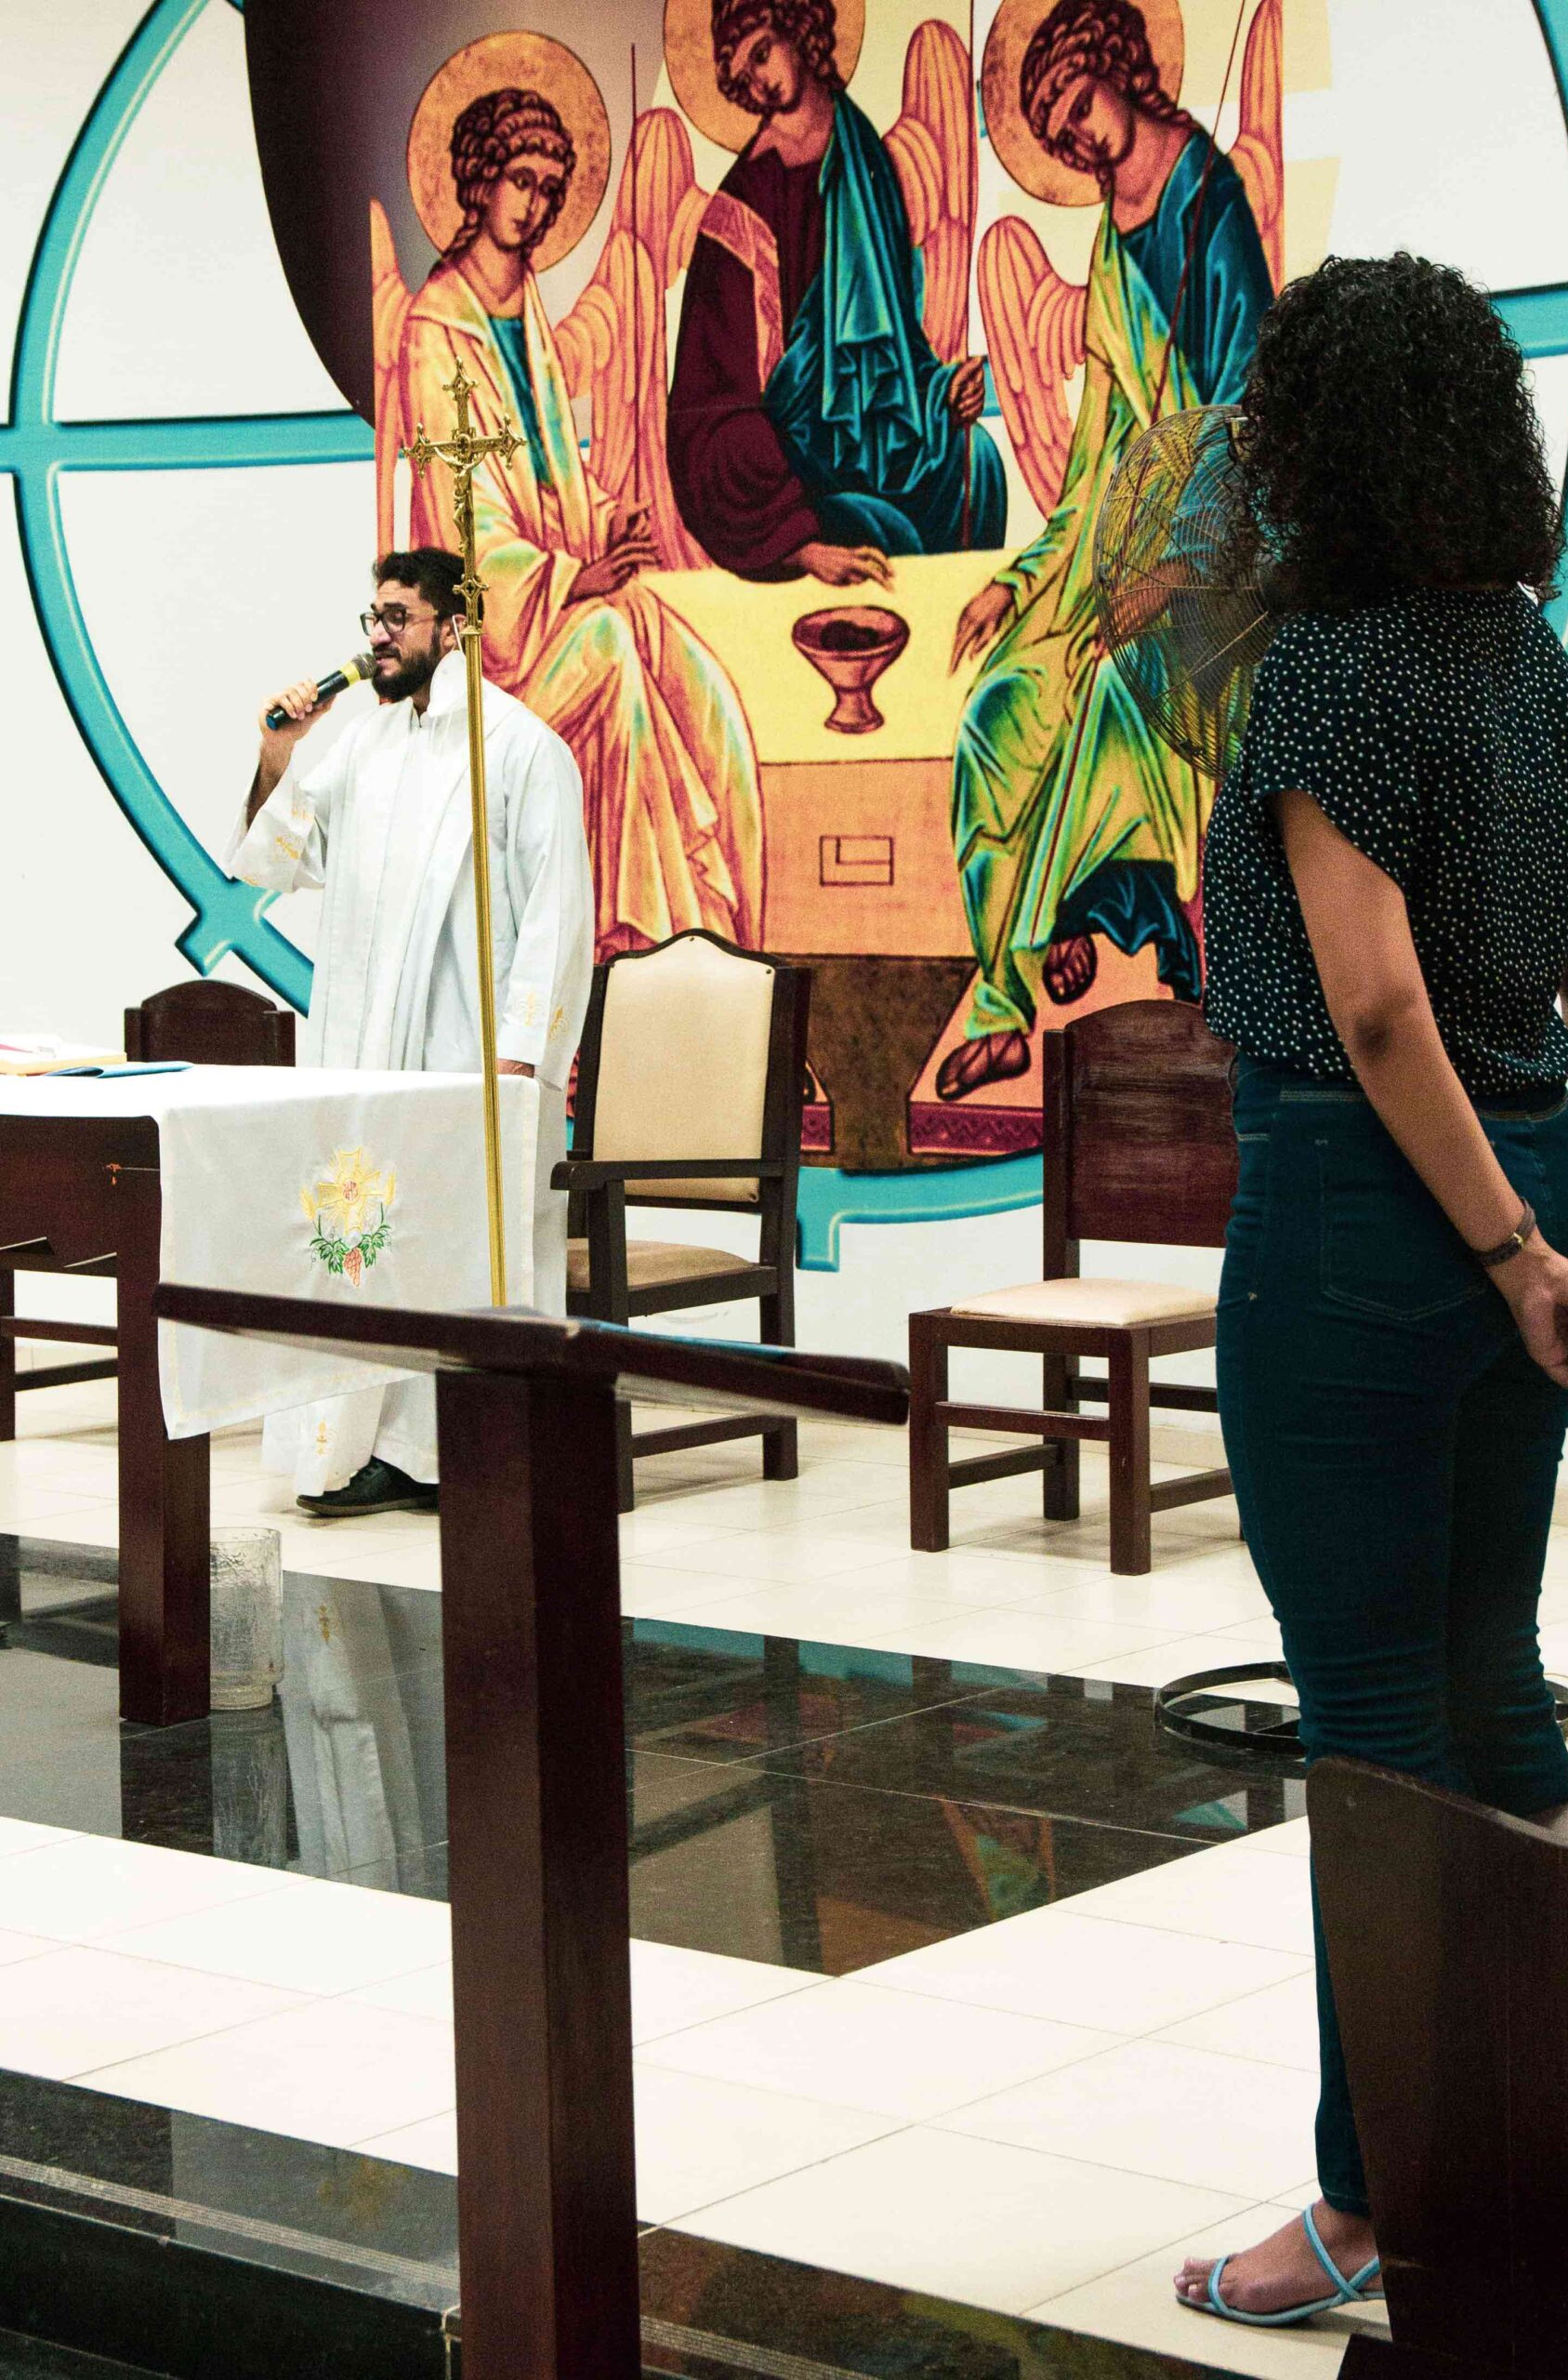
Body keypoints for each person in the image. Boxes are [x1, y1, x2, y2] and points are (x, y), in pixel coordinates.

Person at [1179, 252, 1568, 2327]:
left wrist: (1497, 1251)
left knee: (1369, 1723)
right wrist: (1548, 1227)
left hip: (1364, 1206)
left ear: (1322, 439)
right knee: (1492, 1676)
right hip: (1533, 1169)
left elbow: (1369, 1002)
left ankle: (1369, 2200)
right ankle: (1547, 2135)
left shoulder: (1328, 670)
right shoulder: (1530, 657)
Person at [938, 0, 1272, 1101]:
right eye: (1056, 128)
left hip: (1226, 565)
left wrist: (1175, 572)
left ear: (1121, 69)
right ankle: (1022, 974)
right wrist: (1018, 582)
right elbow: (1098, 464)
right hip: (1120, 551)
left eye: (1079, 105)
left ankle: (1053, 941)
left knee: (1116, 689)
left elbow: (1252, 418)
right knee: (999, 714)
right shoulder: (1109, 241)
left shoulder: (1209, 201)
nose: (1077, 137)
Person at [230, 547, 595, 1518]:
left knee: (451, 1250)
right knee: (366, 1244)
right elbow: (278, 861)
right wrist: (280, 754)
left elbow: (559, 914)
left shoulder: (518, 747)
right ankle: (361, 1446)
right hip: (366, 1052)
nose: (379, 637)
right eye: (375, 618)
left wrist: (521, 1056)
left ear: (454, 625)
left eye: (398, 617)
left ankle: (460, 1452)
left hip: (468, 1053)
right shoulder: (366, 744)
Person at [400, 85, 765, 960]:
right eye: (520, 180)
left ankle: (722, 929)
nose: (534, 205)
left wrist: (607, 522)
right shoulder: (433, 332)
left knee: (695, 678)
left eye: (549, 188)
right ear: (480, 180)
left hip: (556, 601)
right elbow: (467, 534)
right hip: (492, 651)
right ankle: (635, 933)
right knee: (608, 644)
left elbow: (552, 476)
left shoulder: (524, 307)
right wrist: (571, 578)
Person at [666, 0, 1007, 582]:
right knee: (886, 533)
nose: (759, 81)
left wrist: (940, 393)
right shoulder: (744, 203)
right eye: (744, 75)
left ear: (798, 28)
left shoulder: (863, 153)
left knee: (979, 465)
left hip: (874, 435)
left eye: (762, 53)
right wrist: (798, 543)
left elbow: (893, 338)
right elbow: (709, 405)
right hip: (792, 460)